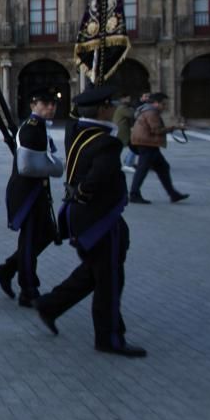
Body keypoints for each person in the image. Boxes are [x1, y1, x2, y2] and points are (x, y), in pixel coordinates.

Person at [33, 86, 147, 358]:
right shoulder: (106, 142)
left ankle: (50, 305)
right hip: (98, 218)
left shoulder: (78, 132)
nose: (113, 109)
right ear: (104, 108)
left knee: (95, 271)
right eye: (110, 105)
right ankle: (109, 337)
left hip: (82, 214)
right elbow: (98, 178)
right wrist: (84, 194)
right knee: (109, 279)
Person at [0, 87, 64, 307]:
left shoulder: (39, 128)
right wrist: (56, 167)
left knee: (48, 234)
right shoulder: (32, 129)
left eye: (53, 104)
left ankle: (6, 269)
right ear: (33, 105)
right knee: (30, 241)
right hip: (27, 193)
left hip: (37, 191)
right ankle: (28, 289)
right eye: (45, 103)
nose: (50, 108)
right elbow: (27, 167)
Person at [128, 92, 188, 204]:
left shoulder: (148, 110)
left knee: (161, 167)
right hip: (147, 144)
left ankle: (173, 194)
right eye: (163, 104)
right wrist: (175, 127)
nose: (165, 106)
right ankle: (134, 194)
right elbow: (156, 130)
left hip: (146, 143)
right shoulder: (151, 112)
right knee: (143, 169)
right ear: (155, 103)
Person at [112, 91, 137, 173]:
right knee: (133, 146)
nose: (129, 100)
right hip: (122, 131)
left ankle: (127, 162)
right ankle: (127, 164)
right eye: (128, 98)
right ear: (123, 98)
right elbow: (132, 114)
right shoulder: (122, 107)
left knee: (132, 146)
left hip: (122, 130)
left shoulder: (121, 106)